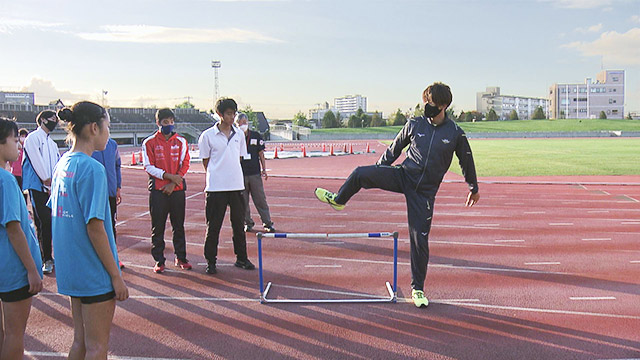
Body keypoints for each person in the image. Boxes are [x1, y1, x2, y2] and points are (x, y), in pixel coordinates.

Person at [315, 82, 480, 308]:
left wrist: (473, 187)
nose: (426, 107)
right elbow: (394, 149)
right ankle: (339, 200)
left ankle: (418, 290)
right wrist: (379, 171)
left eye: (430, 103)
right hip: (404, 175)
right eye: (425, 103)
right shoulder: (415, 124)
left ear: (442, 105)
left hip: (424, 193)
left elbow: (466, 160)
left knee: (419, 239)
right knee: (360, 173)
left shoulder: (455, 134)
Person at [49, 102, 128, 359]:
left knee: (79, 343)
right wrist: (115, 276)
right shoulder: (93, 168)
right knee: (96, 347)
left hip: (73, 271)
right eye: (107, 127)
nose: (108, 133)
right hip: (94, 273)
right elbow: (95, 228)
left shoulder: (63, 164)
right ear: (94, 128)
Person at [0, 117, 43, 359]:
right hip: (13, 270)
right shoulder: (5, 180)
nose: (19, 145)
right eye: (15, 140)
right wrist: (31, 270)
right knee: (14, 335)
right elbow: (14, 229)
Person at [198, 98, 255, 275]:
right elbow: (206, 161)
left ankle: (241, 258)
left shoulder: (239, 134)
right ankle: (211, 261)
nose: (232, 117)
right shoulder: (207, 136)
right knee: (213, 226)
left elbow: (239, 157)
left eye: (234, 113)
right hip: (216, 188)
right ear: (220, 114)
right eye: (229, 113)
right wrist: (218, 173)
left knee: (239, 225)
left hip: (236, 186)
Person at [142, 108, 191, 273]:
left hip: (177, 190)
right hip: (158, 191)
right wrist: (168, 176)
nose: (169, 125)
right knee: (158, 226)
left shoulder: (181, 142)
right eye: (165, 122)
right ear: (158, 123)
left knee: (179, 225)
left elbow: (185, 163)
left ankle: (181, 257)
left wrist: (174, 181)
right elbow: (148, 166)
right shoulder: (149, 143)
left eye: (171, 121)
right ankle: (159, 260)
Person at [22, 110, 60, 274]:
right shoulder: (33, 138)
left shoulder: (52, 143)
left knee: (49, 221)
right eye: (52, 118)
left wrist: (54, 181)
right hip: (37, 186)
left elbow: (57, 162)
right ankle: (46, 259)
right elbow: (36, 159)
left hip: (51, 187)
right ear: (43, 120)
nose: (54, 121)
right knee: (43, 221)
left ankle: (47, 256)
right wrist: (46, 178)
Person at [235, 113, 275, 233]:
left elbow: (261, 154)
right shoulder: (234, 137)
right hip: (240, 175)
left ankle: (267, 223)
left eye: (244, 122)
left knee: (260, 199)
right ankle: (248, 222)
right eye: (239, 123)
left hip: (254, 174)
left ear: (247, 123)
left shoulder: (256, 136)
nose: (242, 125)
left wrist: (264, 169)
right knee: (243, 202)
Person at [92, 137, 124, 269]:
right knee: (94, 226)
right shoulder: (90, 143)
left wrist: (118, 187)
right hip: (94, 193)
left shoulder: (112, 144)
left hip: (110, 191)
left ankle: (114, 256)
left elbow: (117, 166)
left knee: (110, 225)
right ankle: (96, 258)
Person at [9, 128, 29, 203]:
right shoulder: (15, 147)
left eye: (24, 136)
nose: (22, 138)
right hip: (15, 173)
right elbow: (11, 160)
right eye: (21, 136)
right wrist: (12, 167)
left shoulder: (27, 148)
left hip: (23, 174)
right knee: (15, 192)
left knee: (24, 194)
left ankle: (24, 209)